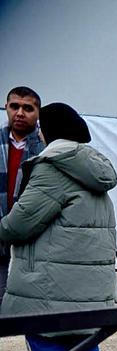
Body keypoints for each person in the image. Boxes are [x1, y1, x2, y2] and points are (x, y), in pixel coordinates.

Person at [0, 103, 117, 351]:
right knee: (82, 333)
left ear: (49, 130)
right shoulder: (92, 168)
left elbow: (20, 224)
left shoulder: (52, 168)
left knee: (41, 331)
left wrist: (3, 228)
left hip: (51, 275)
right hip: (87, 275)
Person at [2, 86, 46, 303]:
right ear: (6, 108)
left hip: (34, 234)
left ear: (38, 113)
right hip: (0, 228)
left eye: (27, 108)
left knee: (33, 301)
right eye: (14, 106)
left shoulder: (47, 148)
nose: (19, 113)